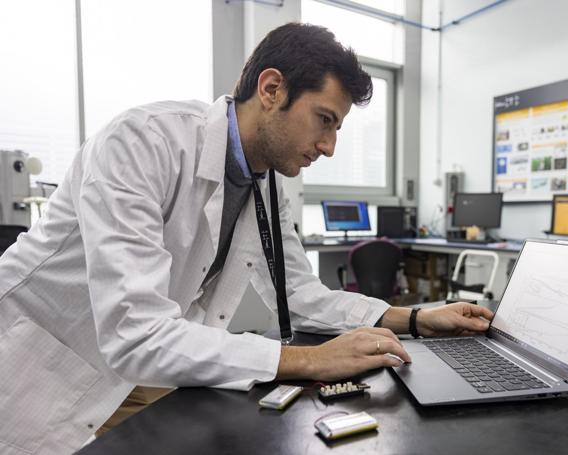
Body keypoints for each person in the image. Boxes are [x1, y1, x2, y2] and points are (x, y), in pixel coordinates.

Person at [0, 23, 493, 454]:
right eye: (324, 119)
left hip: (134, 373)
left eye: (338, 128)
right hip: (35, 368)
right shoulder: (143, 143)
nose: (328, 146)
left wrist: (415, 318)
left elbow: (298, 295)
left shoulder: (266, 182)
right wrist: (307, 361)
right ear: (273, 88)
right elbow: (136, 331)